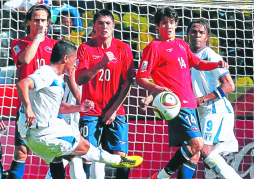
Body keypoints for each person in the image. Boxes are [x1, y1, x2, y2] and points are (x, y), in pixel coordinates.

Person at [16, 40, 143, 179]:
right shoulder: (47, 73)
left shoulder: (56, 78)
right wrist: (28, 108)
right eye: (74, 60)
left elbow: (58, 107)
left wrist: (80, 107)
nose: (76, 65)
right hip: (42, 134)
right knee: (84, 147)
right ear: (65, 59)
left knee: (60, 159)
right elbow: (23, 83)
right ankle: (118, 161)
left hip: (35, 134)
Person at [136, 7, 228, 179]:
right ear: (157, 25)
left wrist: (216, 64)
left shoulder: (181, 44)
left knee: (193, 154)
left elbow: (199, 63)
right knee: (197, 144)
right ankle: (161, 176)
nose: (168, 26)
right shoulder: (153, 47)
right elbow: (141, 78)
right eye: (164, 22)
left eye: (171, 22)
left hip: (190, 104)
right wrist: (155, 89)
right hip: (176, 105)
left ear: (176, 24)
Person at [75, 9, 135, 179]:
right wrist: (101, 63)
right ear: (94, 26)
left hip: (116, 111)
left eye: (108, 23)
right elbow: (79, 79)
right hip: (91, 111)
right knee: (87, 155)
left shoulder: (123, 49)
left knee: (121, 157)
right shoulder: (85, 48)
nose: (104, 26)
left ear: (114, 26)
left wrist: (114, 110)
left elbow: (128, 82)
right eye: (100, 23)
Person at [187, 19, 242, 179]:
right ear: (187, 34)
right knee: (197, 153)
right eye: (193, 32)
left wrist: (203, 99)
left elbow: (229, 86)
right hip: (203, 113)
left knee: (204, 151)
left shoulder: (210, 55)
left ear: (207, 36)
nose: (197, 35)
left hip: (216, 110)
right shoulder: (187, 56)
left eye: (201, 32)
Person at [9, 4, 57, 179]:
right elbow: (26, 59)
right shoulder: (18, 43)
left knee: (55, 154)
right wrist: (38, 39)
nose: (40, 24)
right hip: (26, 106)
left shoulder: (56, 46)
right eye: (36, 20)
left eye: (43, 20)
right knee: (21, 152)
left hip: (51, 109)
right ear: (28, 22)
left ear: (49, 22)